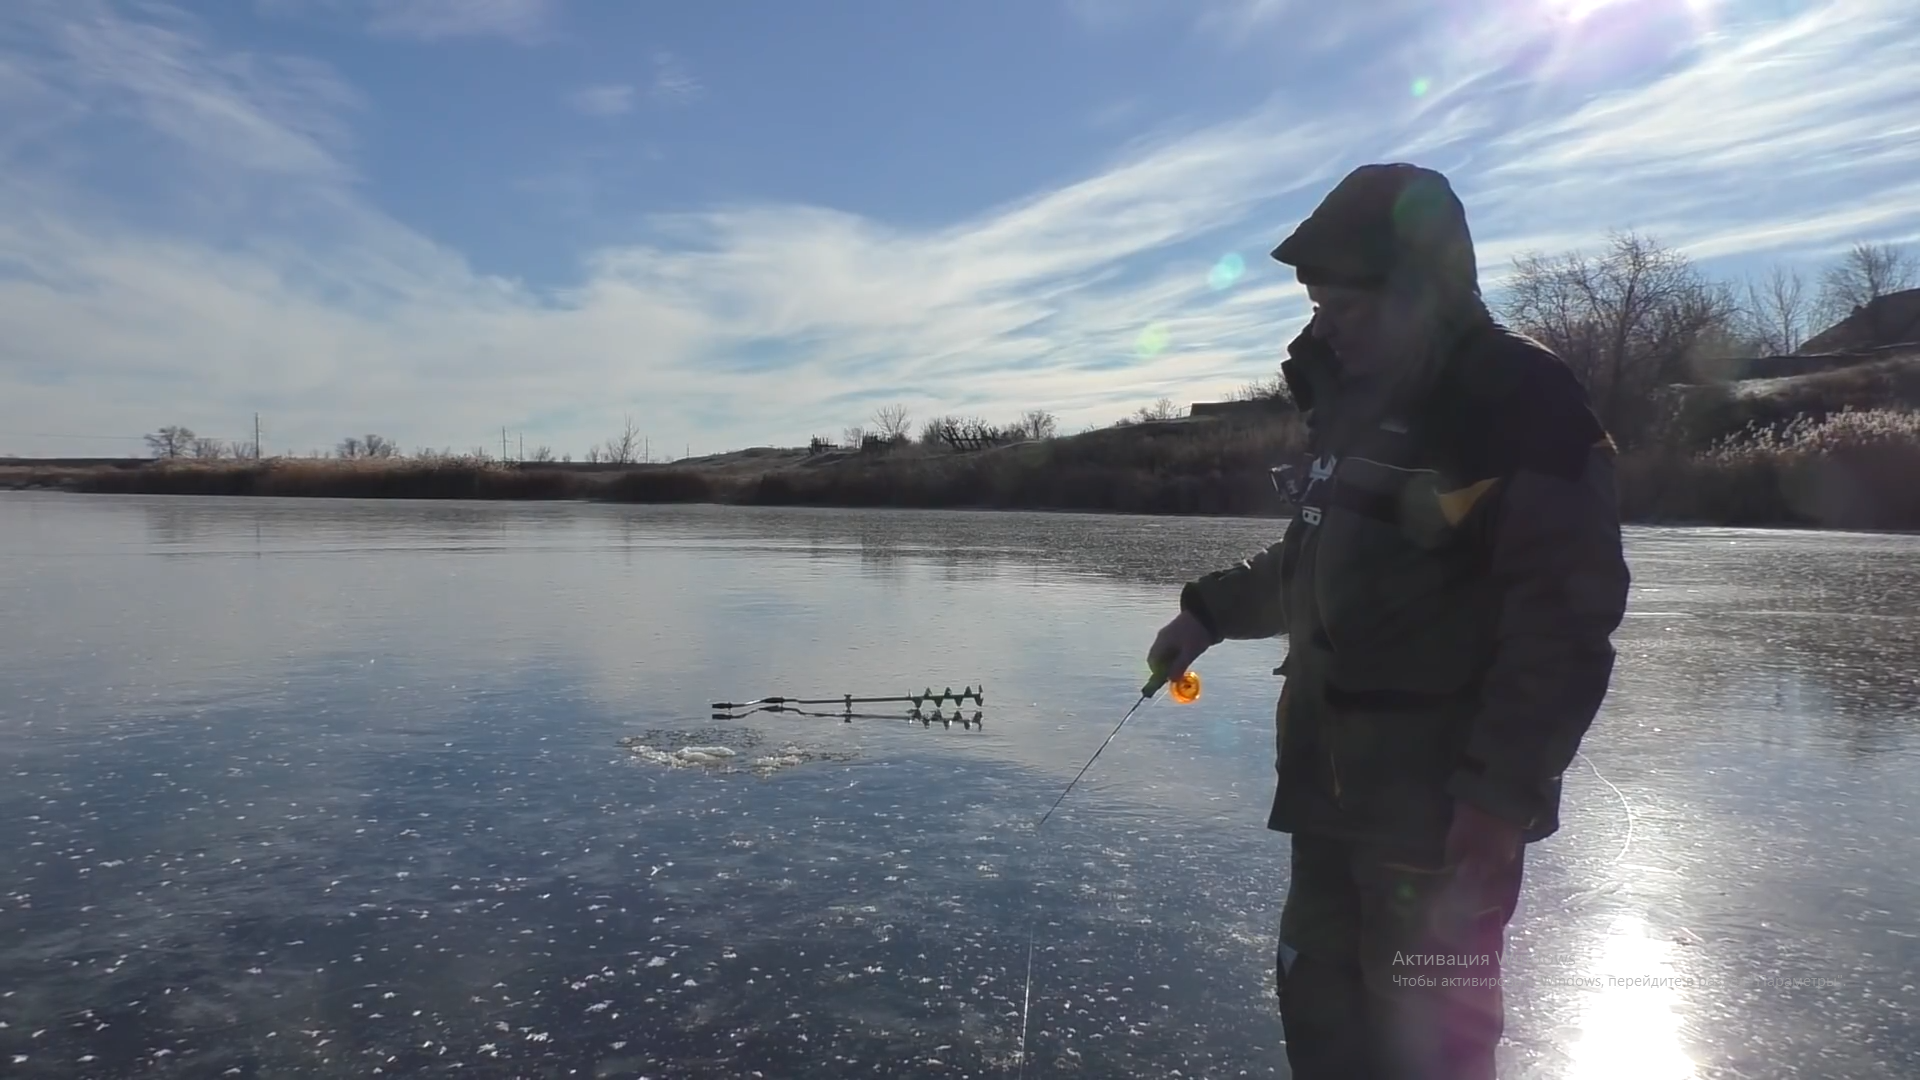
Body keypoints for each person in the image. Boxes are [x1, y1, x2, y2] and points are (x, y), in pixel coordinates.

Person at [1147, 163, 1631, 1079]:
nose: (1322, 327)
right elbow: (1321, 557)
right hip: (1331, 803)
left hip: (1439, 826)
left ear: (1424, 294)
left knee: (1429, 1050)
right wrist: (1206, 614)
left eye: (1348, 309)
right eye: (1318, 305)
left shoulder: (1518, 404)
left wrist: (1498, 798)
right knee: (1325, 1029)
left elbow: (1565, 623)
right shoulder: (1357, 404)